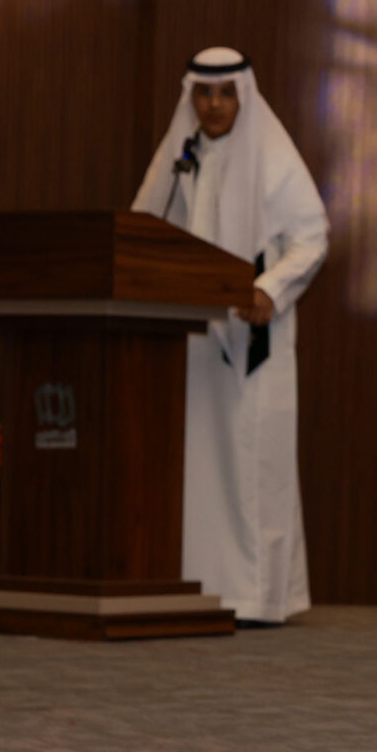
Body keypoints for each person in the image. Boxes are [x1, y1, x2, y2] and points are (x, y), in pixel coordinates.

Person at [132, 48, 329, 626]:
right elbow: (144, 225)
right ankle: (194, 585)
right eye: (204, 93)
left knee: (251, 464)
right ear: (190, 97)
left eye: (224, 94)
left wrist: (269, 288)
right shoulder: (181, 155)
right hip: (188, 339)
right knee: (194, 465)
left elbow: (313, 236)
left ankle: (257, 599)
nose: (214, 105)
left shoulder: (273, 154)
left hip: (250, 338)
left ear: (242, 96)